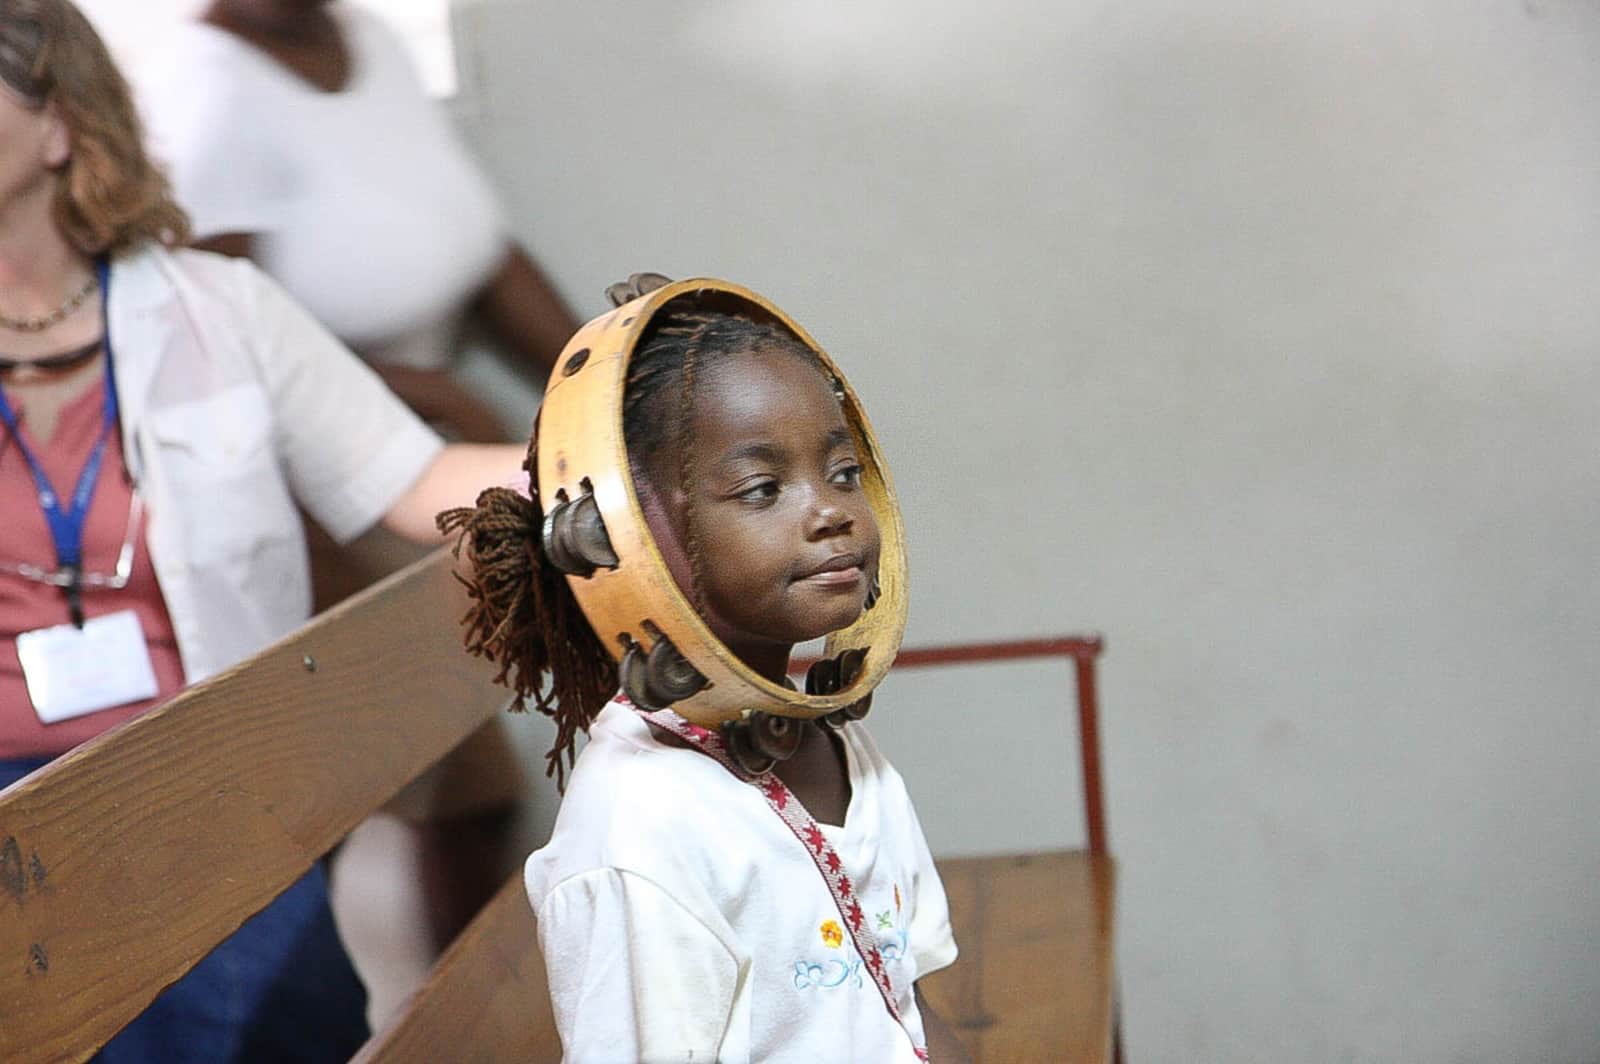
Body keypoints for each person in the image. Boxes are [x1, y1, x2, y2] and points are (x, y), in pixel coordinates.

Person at [0, 2, 524, 1058]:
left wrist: (614, 451)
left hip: (201, 787)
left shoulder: (215, 308)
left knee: (278, 1014)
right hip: (8, 805)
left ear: (58, 126)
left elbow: (413, 478)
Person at [440, 276, 973, 1061]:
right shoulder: (642, 829)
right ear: (634, 532)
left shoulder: (832, 746)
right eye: (764, 488)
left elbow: (910, 1006)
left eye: (844, 472)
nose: (831, 510)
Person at [138, 0, 578, 443]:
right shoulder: (202, 88)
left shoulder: (369, 36)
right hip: (331, 456)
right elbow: (220, 349)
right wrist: (440, 399)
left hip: (426, 425)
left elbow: (483, 250)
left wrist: (601, 369)